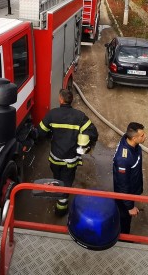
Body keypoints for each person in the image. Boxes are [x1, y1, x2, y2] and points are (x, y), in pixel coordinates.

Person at [38, 88, 98, 216]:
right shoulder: (79, 116)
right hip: (71, 160)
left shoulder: (52, 114)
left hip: (55, 158)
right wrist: (85, 143)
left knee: (57, 177)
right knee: (67, 181)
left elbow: (40, 132)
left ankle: (59, 201)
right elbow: (93, 133)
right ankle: (61, 208)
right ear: (71, 100)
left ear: (60, 99)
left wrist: (50, 136)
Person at [112, 122, 146, 234]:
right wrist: (130, 207)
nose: (145, 137)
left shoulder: (131, 143)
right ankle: (123, 239)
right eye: (142, 135)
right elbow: (123, 185)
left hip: (131, 189)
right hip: (125, 196)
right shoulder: (123, 159)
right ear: (134, 138)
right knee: (124, 220)